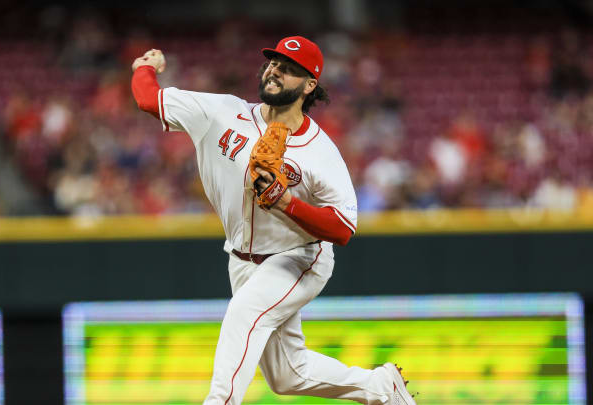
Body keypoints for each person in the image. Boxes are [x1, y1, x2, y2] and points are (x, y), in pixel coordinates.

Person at [131, 35, 416, 405]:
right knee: (287, 375)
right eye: (274, 64)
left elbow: (343, 229)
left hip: (298, 256)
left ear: (309, 85)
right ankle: (381, 388)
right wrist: (145, 67)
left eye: (289, 69)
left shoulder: (320, 151)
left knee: (244, 313)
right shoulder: (221, 112)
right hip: (241, 258)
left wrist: (287, 204)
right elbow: (147, 98)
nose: (275, 71)